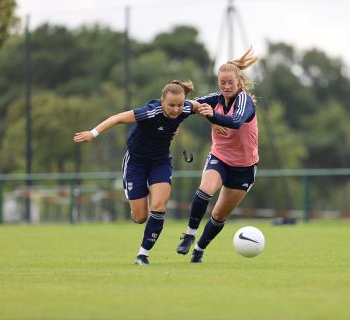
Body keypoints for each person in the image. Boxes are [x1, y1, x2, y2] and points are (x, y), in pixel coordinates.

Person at [73, 80, 199, 266]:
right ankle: (138, 211)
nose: (176, 109)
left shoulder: (186, 108)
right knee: (141, 217)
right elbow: (117, 118)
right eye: (171, 105)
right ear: (162, 101)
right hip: (136, 163)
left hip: (161, 163)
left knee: (159, 207)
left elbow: (200, 105)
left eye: (179, 105)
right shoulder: (149, 112)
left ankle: (142, 255)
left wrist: (216, 123)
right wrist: (93, 133)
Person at [176, 48, 259, 263]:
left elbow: (237, 121)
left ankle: (199, 249)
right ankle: (189, 235)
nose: (226, 86)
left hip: (244, 168)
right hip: (220, 158)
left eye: (230, 82)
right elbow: (191, 106)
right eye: (222, 82)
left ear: (238, 82)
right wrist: (175, 120)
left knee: (219, 215)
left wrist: (213, 116)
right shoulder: (216, 99)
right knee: (205, 189)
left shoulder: (245, 101)